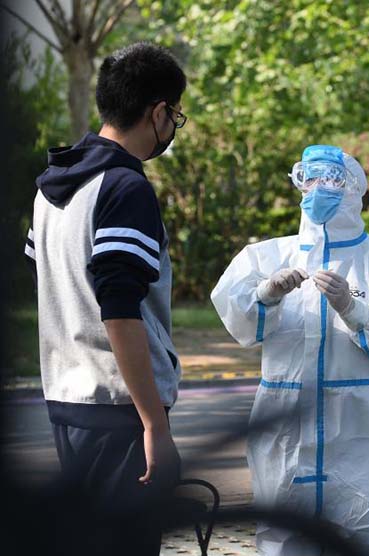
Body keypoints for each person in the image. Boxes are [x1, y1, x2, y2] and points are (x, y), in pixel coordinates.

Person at [211, 144, 369, 555]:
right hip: (287, 431)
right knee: (284, 537)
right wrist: (265, 295)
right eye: (308, 178)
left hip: (363, 433)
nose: (318, 188)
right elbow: (236, 318)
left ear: (354, 187)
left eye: (331, 179)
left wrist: (355, 309)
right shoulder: (266, 255)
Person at [24, 42, 186, 556]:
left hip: (66, 399)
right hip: (121, 409)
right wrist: (153, 424)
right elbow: (119, 310)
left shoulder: (51, 189)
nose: (174, 126)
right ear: (158, 112)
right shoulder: (124, 187)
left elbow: (47, 279)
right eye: (176, 116)